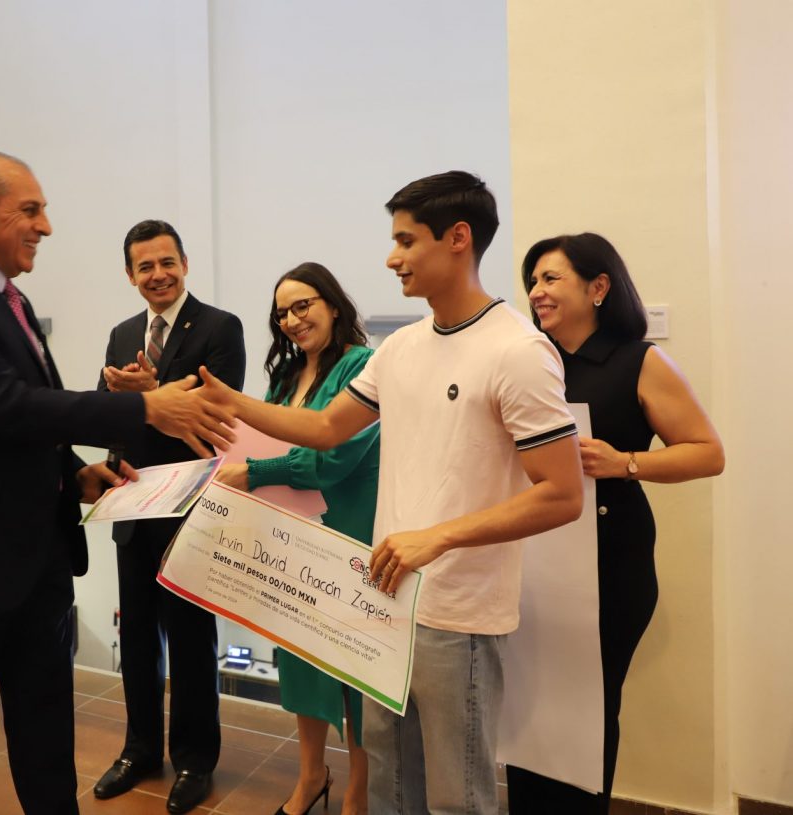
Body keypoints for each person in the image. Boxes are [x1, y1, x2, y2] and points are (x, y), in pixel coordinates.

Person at [197, 171, 585, 814]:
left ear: (457, 238)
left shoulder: (518, 351)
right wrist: (232, 402)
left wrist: (438, 537)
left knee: (457, 796)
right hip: (384, 599)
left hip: (457, 613)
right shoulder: (401, 347)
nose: (391, 257)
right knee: (389, 786)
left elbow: (562, 494)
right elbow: (327, 428)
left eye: (406, 241)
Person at [0, 151, 236, 815]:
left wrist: (75, 473)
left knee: (46, 736)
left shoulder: (9, 299)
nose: (45, 226)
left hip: (34, 560)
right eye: (31, 210)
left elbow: (15, 426)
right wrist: (145, 407)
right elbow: (4, 404)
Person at [506, 233, 724, 813]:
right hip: (538, 561)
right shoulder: (533, 362)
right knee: (529, 703)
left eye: (551, 278)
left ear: (598, 287)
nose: (536, 291)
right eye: (532, 281)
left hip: (611, 564)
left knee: (589, 711)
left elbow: (708, 453)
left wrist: (625, 462)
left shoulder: (640, 361)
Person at [214, 262, 379, 815]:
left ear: (332, 303)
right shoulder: (285, 376)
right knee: (302, 657)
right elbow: (260, 443)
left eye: (302, 305)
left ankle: (359, 791)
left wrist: (258, 472)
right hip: (292, 537)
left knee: (356, 667)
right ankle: (312, 777)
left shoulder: (362, 365)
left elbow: (332, 458)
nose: (291, 319)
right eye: (281, 312)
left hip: (349, 533)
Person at [93, 219, 245, 814]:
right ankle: (139, 751)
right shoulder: (121, 333)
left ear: (185, 264)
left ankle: (194, 760)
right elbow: (100, 413)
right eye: (145, 267)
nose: (158, 275)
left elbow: (218, 415)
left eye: (166, 263)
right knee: (136, 637)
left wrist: (152, 396)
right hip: (133, 504)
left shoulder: (219, 327)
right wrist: (121, 399)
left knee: (190, 640)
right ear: (129, 275)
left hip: (192, 507)